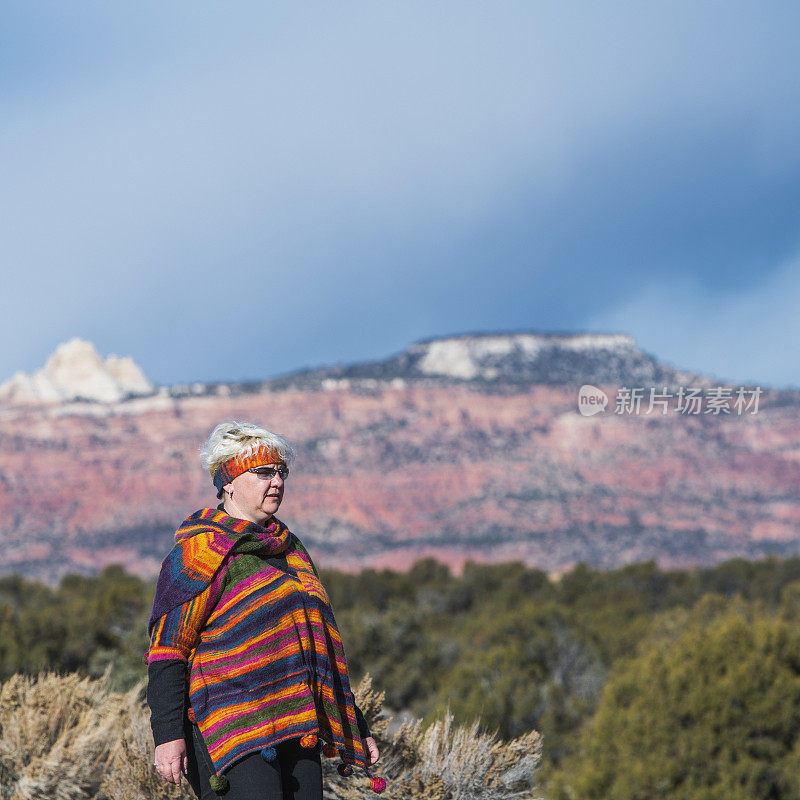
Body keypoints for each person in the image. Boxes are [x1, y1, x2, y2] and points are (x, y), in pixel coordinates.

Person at [145, 421, 385, 799]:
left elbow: (316, 647)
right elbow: (167, 651)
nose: (276, 482)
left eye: (280, 472)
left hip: (296, 720)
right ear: (228, 481)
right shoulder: (200, 551)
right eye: (263, 473)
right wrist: (168, 735)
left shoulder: (291, 550)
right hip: (228, 726)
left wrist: (356, 723)